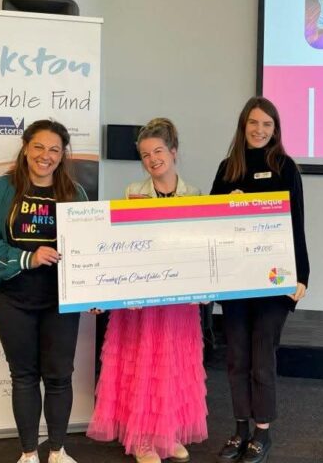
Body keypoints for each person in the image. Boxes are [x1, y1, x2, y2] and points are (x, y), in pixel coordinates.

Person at [87, 118, 207, 463]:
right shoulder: (132, 193)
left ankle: (167, 434)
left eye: (158, 151)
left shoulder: (196, 194)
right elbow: (123, 245)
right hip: (140, 301)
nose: (153, 159)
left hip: (178, 301)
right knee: (143, 364)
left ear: (173, 152)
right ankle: (142, 440)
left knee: (173, 364)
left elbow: (199, 249)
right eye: (145, 154)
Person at [0, 119, 88, 463]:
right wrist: (27, 258)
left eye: (54, 149)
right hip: (13, 299)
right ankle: (28, 453)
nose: (45, 156)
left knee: (59, 377)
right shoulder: (1, 189)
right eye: (38, 147)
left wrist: (94, 292)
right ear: (25, 148)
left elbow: (87, 250)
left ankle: (57, 451)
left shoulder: (73, 194)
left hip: (59, 301)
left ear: (63, 155)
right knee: (23, 376)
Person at [211, 97, 310, 463]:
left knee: (261, 357)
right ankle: (239, 429)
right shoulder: (226, 168)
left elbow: (297, 221)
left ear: (275, 129)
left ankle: (261, 432)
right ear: (243, 125)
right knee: (236, 357)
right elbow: (210, 224)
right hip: (236, 280)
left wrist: (302, 276)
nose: (259, 130)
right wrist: (227, 205)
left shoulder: (285, 167)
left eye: (267, 124)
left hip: (273, 281)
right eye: (253, 123)